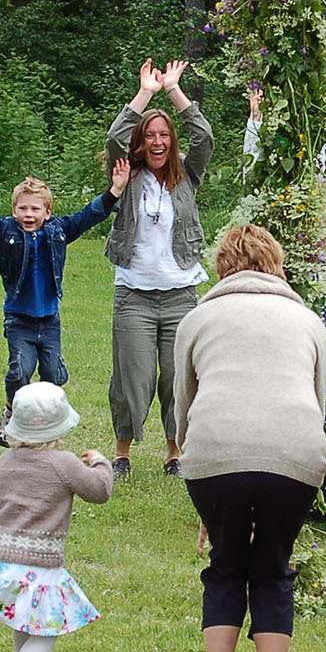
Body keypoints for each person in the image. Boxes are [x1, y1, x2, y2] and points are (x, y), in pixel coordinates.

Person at [175, 226, 326, 652]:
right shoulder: (308, 321)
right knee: (272, 567)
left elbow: (183, 405)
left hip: (215, 455)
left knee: (225, 565)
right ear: (276, 263)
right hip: (296, 456)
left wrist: (203, 472)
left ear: (222, 266)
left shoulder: (197, 318)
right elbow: (318, 398)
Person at [0, 149, 130, 441]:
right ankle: (11, 412)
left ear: (48, 212)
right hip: (19, 319)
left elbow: (88, 215)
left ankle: (47, 428)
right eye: (23, 209)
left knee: (53, 375)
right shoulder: (5, 232)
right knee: (19, 370)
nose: (29, 215)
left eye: (35, 209)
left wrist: (115, 190)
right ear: (14, 210)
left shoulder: (59, 231)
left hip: (49, 320)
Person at [0, 382, 113, 652]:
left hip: (1, 557)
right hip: (39, 562)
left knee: (24, 620)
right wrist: (101, 463)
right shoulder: (62, 462)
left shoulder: (5, 462)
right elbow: (99, 491)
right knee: (46, 630)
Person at [104, 58, 212, 479]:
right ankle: (123, 454)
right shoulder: (125, 174)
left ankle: (174, 453)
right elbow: (114, 135)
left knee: (176, 379)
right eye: (149, 135)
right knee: (134, 378)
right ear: (141, 142)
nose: (157, 141)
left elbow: (203, 135)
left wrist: (174, 91)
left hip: (180, 293)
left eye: (164, 134)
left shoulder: (187, 175)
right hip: (133, 294)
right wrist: (146, 91)